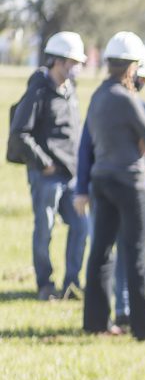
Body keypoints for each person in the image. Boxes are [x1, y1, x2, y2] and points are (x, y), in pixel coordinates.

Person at [76, 32, 145, 342]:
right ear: (132, 67)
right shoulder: (126, 98)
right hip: (128, 182)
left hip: (101, 179)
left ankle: (96, 323)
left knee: (100, 252)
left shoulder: (98, 95)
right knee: (136, 254)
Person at [10, 31, 89, 301]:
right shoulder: (38, 91)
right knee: (44, 230)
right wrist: (43, 163)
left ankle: (72, 284)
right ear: (58, 61)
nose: (77, 67)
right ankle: (45, 284)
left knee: (81, 227)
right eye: (73, 62)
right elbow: (20, 132)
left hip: (72, 174)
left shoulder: (71, 90)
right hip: (47, 176)